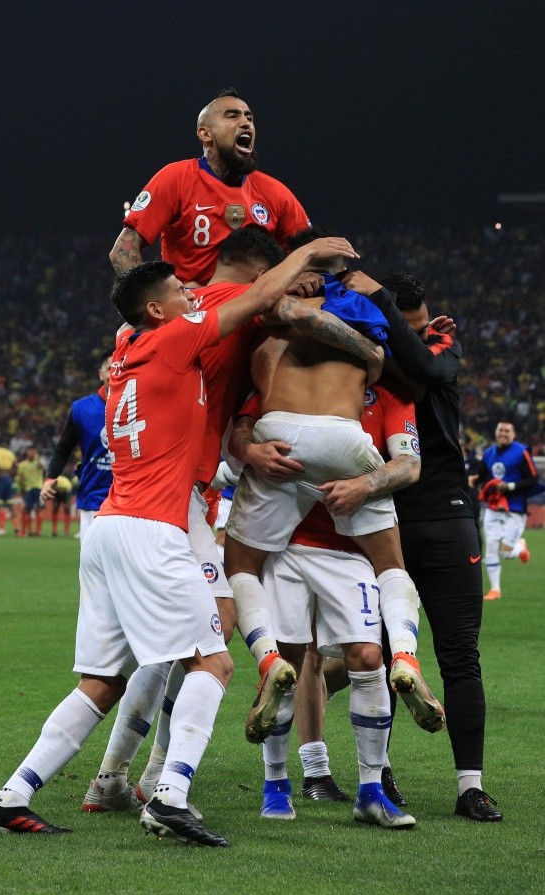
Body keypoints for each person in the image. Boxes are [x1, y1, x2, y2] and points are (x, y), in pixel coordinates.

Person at [0, 236, 360, 847]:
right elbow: (261, 294)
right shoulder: (176, 337)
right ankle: (171, 795)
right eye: (182, 294)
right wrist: (308, 253)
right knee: (212, 661)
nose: (194, 297)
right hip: (155, 526)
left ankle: (13, 795)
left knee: (102, 681)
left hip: (107, 526)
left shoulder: (127, 343)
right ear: (159, 311)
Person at [80, 227, 381, 817]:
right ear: (263, 273)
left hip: (157, 493)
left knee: (173, 641)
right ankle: (147, 778)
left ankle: (122, 776)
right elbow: (287, 303)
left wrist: (241, 449)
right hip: (170, 498)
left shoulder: (170, 318)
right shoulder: (219, 306)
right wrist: (374, 349)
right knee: (202, 634)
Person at [223, 239, 443, 746]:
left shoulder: (270, 312)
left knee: (240, 566)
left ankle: (267, 660)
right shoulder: (369, 314)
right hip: (345, 437)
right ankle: (406, 655)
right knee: (392, 567)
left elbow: (279, 310)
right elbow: (399, 377)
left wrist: (289, 279)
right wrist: (370, 351)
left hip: (279, 431)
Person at [342, 269, 503, 822]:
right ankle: (379, 774)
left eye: (411, 328)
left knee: (460, 655)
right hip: (383, 520)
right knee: (382, 656)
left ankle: (469, 786)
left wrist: (384, 309)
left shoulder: (434, 347)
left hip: (447, 516)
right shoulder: (364, 354)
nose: (405, 338)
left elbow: (428, 367)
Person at [230, 376, 421, 827]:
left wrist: (367, 485)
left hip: (349, 550)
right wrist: (251, 450)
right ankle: (275, 784)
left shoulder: (389, 395)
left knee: (369, 655)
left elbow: (408, 465)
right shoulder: (285, 384)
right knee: (288, 664)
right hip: (287, 547)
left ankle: (370, 791)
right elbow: (242, 428)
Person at [109, 88, 310, 285]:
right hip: (195, 309)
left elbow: (312, 251)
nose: (246, 123)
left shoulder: (274, 191)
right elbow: (122, 252)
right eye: (233, 116)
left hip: (256, 305)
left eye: (249, 118)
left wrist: (328, 274)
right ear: (205, 134)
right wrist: (156, 300)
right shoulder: (176, 178)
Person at [40, 350, 114, 540]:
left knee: (126, 569)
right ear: (101, 373)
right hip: (93, 499)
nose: (114, 373)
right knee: (92, 568)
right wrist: (49, 479)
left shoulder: (142, 405)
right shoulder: (82, 409)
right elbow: (63, 449)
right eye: (110, 368)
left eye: (120, 367)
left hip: (131, 503)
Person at [475, 421, 538, 601]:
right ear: (496, 433)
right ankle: (495, 590)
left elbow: (533, 479)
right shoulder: (488, 454)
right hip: (493, 507)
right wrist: (473, 479)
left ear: (513, 434)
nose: (503, 433)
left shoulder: (522, 451)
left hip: (515, 508)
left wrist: (509, 486)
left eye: (507, 431)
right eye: (500, 430)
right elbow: (482, 476)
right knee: (492, 546)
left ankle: (520, 547)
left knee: (506, 552)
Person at [15, 445, 45, 537]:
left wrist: (38, 458)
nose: (31, 453)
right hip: (28, 490)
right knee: (26, 510)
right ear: (26, 452)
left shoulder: (39, 462)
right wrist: (20, 489)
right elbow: (20, 479)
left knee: (38, 509)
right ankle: (26, 531)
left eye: (33, 451)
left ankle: (37, 531)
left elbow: (44, 468)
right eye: (30, 451)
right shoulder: (22, 465)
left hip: (39, 488)